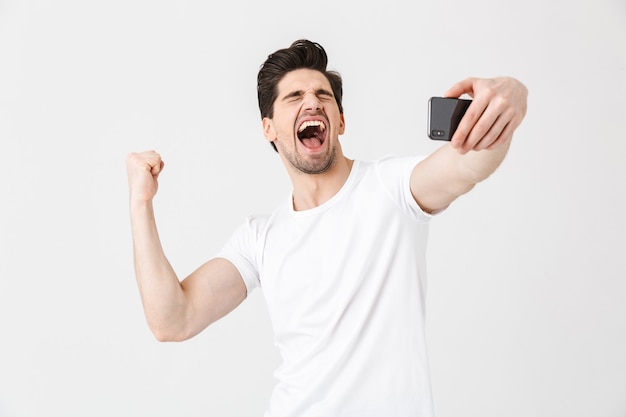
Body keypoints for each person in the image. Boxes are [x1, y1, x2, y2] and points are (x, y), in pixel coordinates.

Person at [126, 39, 527, 417]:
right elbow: (172, 320)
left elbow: (469, 165)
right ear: (268, 128)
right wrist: (141, 204)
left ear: (340, 119)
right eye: (294, 97)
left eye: (323, 95)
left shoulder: (392, 186)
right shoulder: (259, 238)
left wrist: (511, 97)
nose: (312, 102)